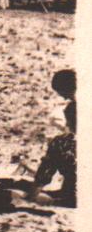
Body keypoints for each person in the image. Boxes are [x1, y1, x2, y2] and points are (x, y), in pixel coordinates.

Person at [26, 70, 76, 207]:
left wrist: (31, 197)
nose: (66, 98)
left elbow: (45, 172)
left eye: (65, 94)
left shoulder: (62, 142)